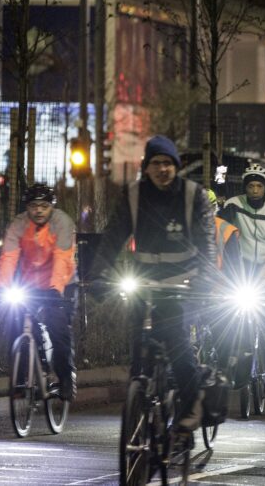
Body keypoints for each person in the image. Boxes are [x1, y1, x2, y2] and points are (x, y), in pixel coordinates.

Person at [90, 136, 215, 446]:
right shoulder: (133, 196)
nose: (163, 169)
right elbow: (113, 236)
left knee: (178, 345)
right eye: (156, 163)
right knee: (139, 347)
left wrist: (205, 277)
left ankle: (190, 407)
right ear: (145, 168)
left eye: (168, 163)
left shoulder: (192, 196)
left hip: (182, 286)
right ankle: (141, 406)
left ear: (177, 167)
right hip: (144, 285)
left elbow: (206, 244)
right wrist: (98, 273)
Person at [0, 183, 78, 404]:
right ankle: (20, 379)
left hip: (61, 284)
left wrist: (55, 290)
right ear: (27, 208)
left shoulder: (62, 222)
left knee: (58, 329)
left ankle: (65, 378)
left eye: (43, 206)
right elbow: (9, 257)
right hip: (30, 285)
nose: (38, 211)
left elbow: (63, 257)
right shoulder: (19, 224)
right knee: (16, 325)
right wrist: (2, 287)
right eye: (33, 206)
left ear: (51, 206)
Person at [219, 163, 265, 276]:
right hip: (240, 268)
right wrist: (223, 215)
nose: (255, 191)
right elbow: (222, 234)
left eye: (259, 186)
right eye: (251, 186)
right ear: (245, 187)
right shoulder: (233, 204)